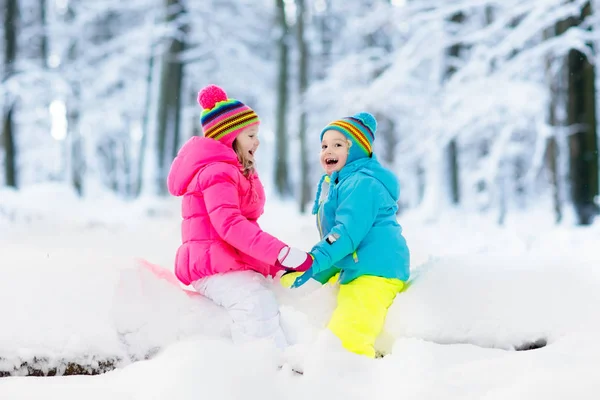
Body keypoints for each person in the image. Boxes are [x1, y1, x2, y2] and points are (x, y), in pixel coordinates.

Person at [167, 84, 311, 349]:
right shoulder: (217, 173)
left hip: (225, 259)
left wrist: (274, 264)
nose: (257, 142)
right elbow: (231, 226)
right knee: (254, 300)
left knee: (274, 289)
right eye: (250, 135)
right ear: (230, 138)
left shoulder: (233, 171)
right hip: (210, 265)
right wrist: (279, 253)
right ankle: (264, 369)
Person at [287, 112, 411, 358]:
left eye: (338, 145)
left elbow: (345, 234)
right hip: (357, 263)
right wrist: (309, 269)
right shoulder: (342, 182)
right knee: (299, 288)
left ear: (356, 151)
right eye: (324, 145)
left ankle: (348, 373)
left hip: (377, 271)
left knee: (348, 335)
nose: (328, 150)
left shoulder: (362, 184)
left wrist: (317, 259)